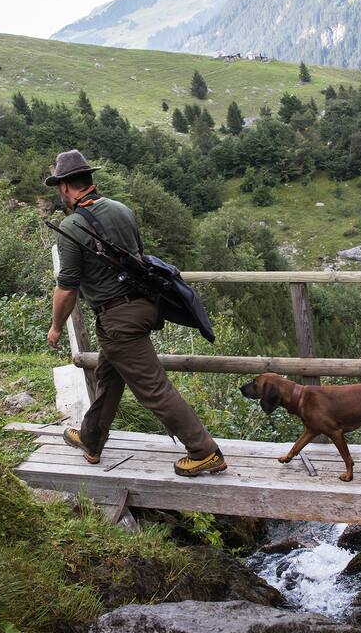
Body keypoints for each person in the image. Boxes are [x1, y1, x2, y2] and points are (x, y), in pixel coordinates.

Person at [44, 149, 226, 477]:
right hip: (142, 306)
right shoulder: (121, 209)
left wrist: (56, 327)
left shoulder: (72, 227)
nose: (59, 193)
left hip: (118, 319)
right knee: (108, 377)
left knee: (153, 388)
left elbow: (67, 288)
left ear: (67, 186)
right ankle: (91, 439)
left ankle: (204, 451)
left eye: (59, 186)